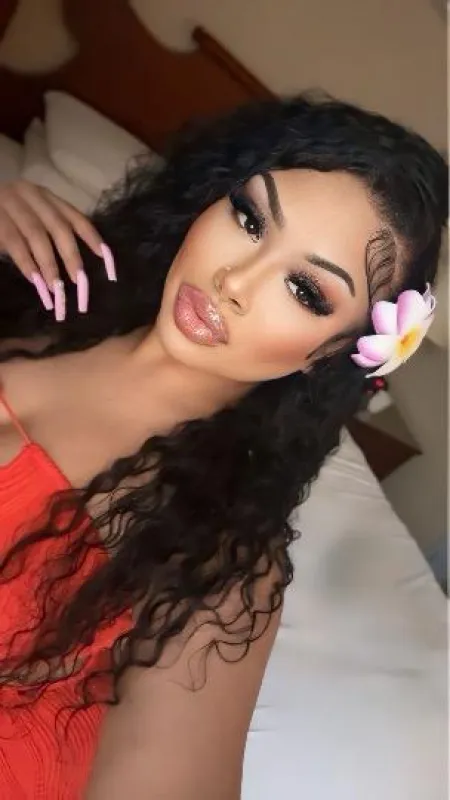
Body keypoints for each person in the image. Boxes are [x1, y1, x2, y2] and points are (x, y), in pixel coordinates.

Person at [0, 93, 446, 799]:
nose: (234, 283)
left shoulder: (219, 563)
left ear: (332, 353)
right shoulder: (35, 292)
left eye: (305, 289)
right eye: (249, 218)